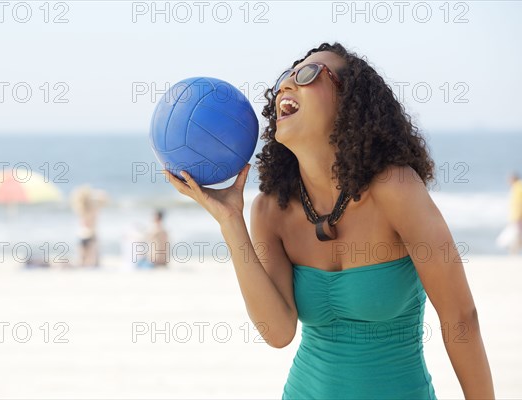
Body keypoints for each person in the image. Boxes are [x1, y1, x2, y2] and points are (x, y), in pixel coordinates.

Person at [164, 42, 495, 399]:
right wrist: (230, 220)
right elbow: (278, 333)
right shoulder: (269, 211)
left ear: (350, 104)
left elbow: (461, 319)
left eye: (308, 74)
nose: (287, 86)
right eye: (284, 79)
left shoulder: (395, 188)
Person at [70, 185, 107, 267]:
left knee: (82, 261)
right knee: (93, 262)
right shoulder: (94, 210)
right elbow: (104, 198)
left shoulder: (80, 209)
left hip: (81, 234)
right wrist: (95, 195)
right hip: (91, 235)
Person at [506, 172, 522, 254]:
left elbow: (520, 203)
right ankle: (513, 255)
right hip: (517, 216)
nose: (508, 181)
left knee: (517, 238)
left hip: (519, 217)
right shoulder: (518, 187)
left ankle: (513, 254)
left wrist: (518, 216)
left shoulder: (519, 187)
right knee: (517, 238)